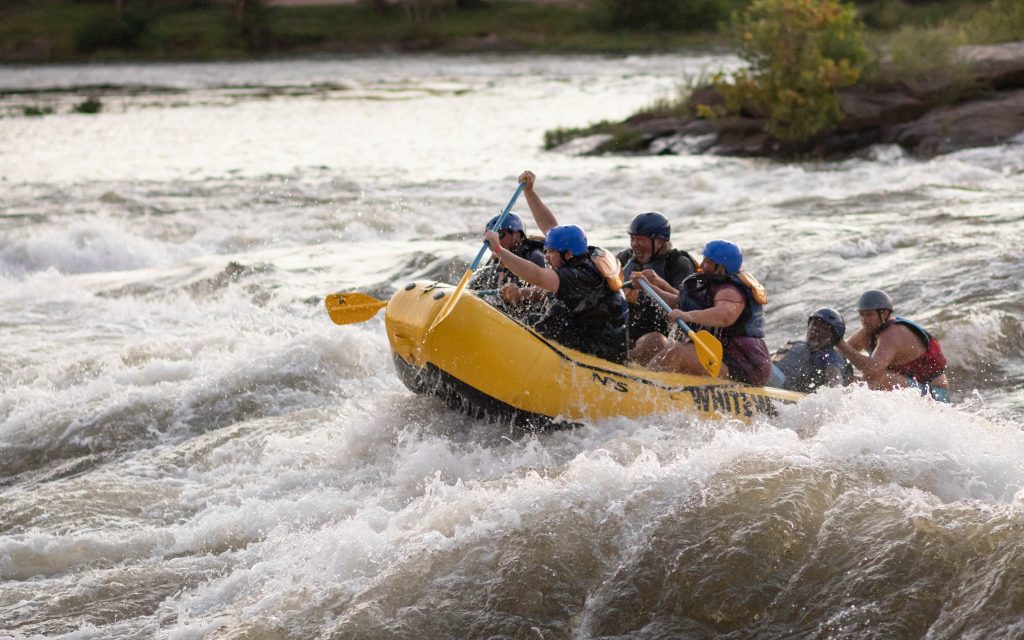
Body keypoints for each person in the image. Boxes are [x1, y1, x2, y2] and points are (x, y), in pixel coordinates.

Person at [483, 170, 629, 363]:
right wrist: (529, 192)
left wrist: (499, 249)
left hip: (603, 350)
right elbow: (551, 228)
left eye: (551, 252)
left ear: (567, 254)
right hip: (589, 331)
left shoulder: (578, 275)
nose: (546, 256)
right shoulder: (583, 254)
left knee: (541, 325)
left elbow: (537, 275)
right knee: (540, 319)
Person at [632, 239, 772, 386]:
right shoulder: (709, 284)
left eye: (709, 262)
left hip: (740, 364)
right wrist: (649, 287)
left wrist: (687, 316)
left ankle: (643, 389)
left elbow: (724, 316)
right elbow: (679, 303)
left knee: (677, 353)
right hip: (712, 354)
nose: (703, 265)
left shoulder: (731, 292)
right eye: (704, 259)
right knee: (654, 340)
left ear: (721, 267)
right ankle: (619, 374)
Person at [836, 289, 951, 402]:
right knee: (851, 383)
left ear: (884, 313)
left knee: (874, 378)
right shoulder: (866, 333)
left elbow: (873, 370)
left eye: (869, 315)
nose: (865, 320)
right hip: (907, 388)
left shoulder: (894, 333)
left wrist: (839, 343)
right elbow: (838, 354)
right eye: (862, 315)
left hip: (934, 395)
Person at [617, 211, 697, 351]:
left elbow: (688, 305)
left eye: (641, 239)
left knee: (653, 340)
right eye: (632, 239)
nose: (635, 244)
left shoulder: (679, 264)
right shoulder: (625, 257)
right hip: (627, 330)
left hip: (660, 337)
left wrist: (658, 284)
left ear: (659, 242)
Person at [768, 307, 852, 392]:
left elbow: (835, 385)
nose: (816, 330)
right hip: (770, 382)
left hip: (783, 390)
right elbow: (772, 360)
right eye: (814, 324)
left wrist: (835, 391)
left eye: (824, 328)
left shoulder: (832, 356)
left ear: (833, 338)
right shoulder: (795, 344)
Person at [468, 212, 545, 291]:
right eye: (494, 236)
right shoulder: (496, 259)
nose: (496, 240)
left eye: (500, 234)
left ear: (517, 236)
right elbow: (474, 289)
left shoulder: (535, 256)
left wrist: (520, 294)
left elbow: (547, 289)